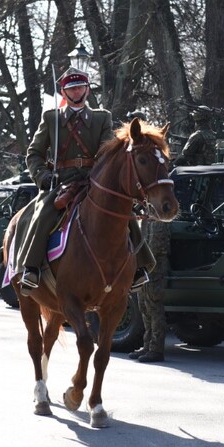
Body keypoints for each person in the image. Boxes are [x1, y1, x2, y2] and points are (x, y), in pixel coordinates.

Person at [16, 67, 154, 294]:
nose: (77, 91)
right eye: (72, 88)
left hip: (94, 180)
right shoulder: (52, 118)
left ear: (88, 89)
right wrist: (42, 176)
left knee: (125, 213)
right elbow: (34, 153)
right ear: (64, 91)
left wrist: (102, 175)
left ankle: (139, 267)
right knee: (43, 214)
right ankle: (31, 268)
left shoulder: (102, 117)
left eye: (80, 87)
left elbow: (107, 149)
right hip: (60, 181)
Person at [129, 217, 169, 363]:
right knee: (144, 307)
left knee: (154, 306)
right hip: (143, 267)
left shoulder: (160, 221)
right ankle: (147, 345)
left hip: (154, 268)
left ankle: (156, 349)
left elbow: (156, 248)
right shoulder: (145, 220)